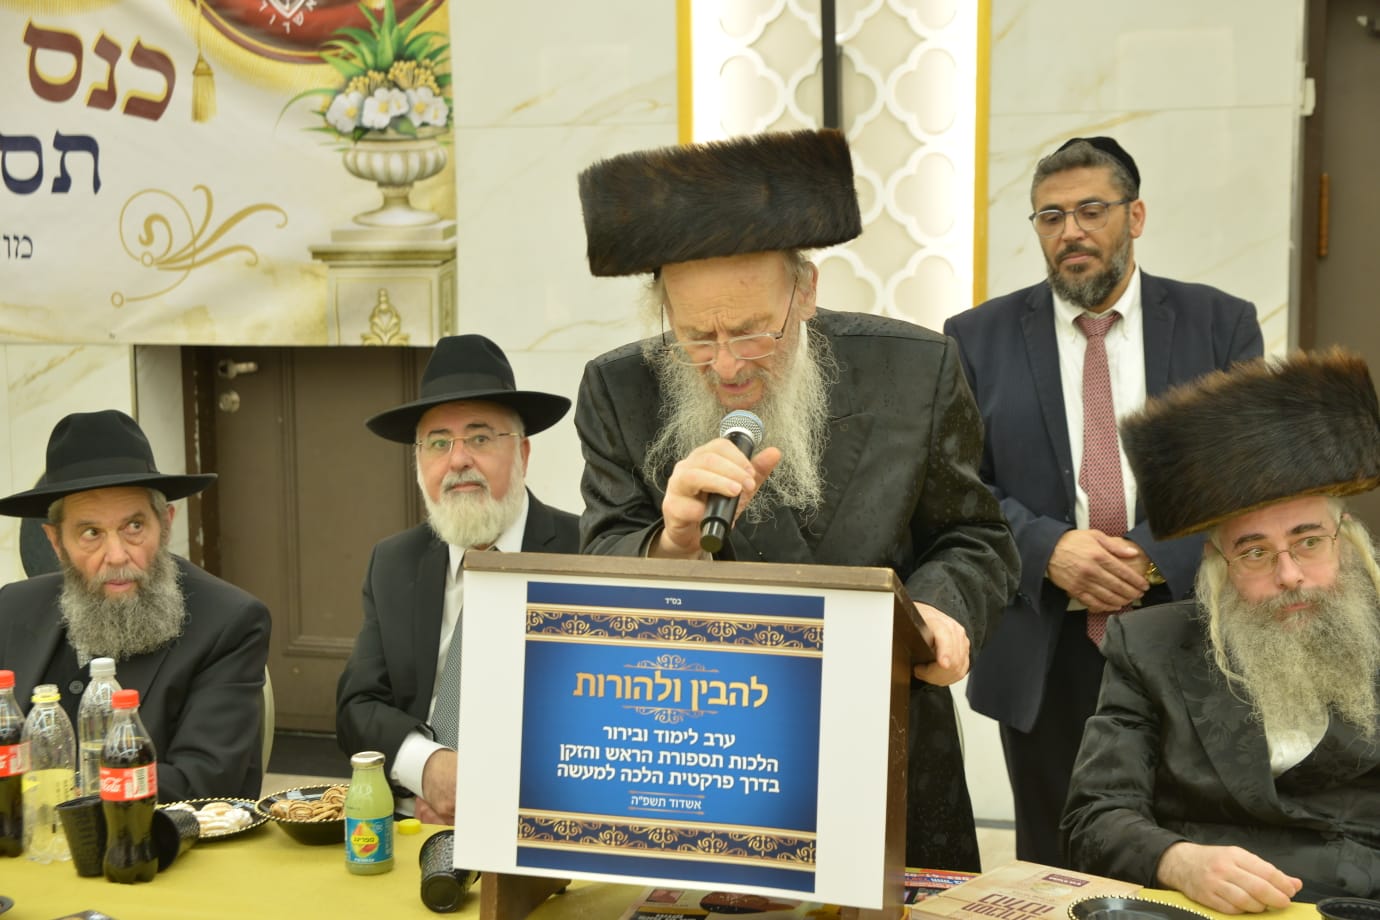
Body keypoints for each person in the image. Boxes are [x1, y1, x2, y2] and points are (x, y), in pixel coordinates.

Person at [573, 129, 1021, 869]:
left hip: (890, 739)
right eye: (696, 336)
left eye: (752, 332)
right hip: (701, 757)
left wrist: (940, 609)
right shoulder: (618, 390)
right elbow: (597, 564)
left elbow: (974, 535)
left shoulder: (916, 370)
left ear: (805, 291)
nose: (726, 365)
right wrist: (670, 544)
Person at [943, 136, 1264, 865]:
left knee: (1184, 853)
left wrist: (1146, 559)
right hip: (1043, 641)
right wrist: (1048, 550)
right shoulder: (975, 338)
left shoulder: (1219, 325)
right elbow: (956, 483)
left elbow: (1238, 475)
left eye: (1091, 211)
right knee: (1052, 857)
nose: (1071, 232)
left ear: (1135, 216)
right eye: (1051, 217)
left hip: (1185, 630)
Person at [1063, 348, 1380, 908]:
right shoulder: (1149, 646)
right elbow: (1093, 817)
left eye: (1308, 542)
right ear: (1218, 566)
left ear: (1346, 540)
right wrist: (1176, 860)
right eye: (1255, 552)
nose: (1289, 575)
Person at [335, 334, 581, 824]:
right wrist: (427, 767)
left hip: (540, 821)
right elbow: (357, 707)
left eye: (480, 438)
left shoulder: (586, 552)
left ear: (523, 453)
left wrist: (495, 791)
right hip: (411, 818)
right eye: (438, 443)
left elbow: (602, 720)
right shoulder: (394, 562)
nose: (458, 459)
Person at [0, 409, 270, 801]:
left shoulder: (229, 621)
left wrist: (71, 792)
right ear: (56, 542)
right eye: (91, 532)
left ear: (166, 524)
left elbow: (205, 781)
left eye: (134, 527)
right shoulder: (12, 607)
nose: (116, 555)